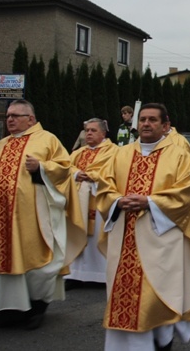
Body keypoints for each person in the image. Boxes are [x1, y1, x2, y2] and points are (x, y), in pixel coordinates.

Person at [0, 99, 86, 330]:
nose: (10, 120)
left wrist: (42, 168)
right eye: (8, 116)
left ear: (31, 119)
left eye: (16, 115)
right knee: (0, 265)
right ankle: (6, 312)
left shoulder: (47, 139)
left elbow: (65, 169)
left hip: (34, 217)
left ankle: (37, 307)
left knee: (38, 266)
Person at [96, 103, 190, 350]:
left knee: (158, 296)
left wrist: (149, 202)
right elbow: (104, 187)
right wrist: (117, 200)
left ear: (165, 125)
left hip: (161, 238)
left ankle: (160, 342)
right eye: (143, 120)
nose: (146, 124)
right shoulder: (120, 154)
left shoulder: (178, 154)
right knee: (123, 296)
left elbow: (188, 190)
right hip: (124, 237)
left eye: (152, 120)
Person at [65, 118, 117, 289]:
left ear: (103, 133)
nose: (88, 134)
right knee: (76, 232)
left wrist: (94, 176)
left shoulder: (114, 152)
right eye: (87, 130)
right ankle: (74, 274)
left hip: (99, 200)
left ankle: (101, 275)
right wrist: (76, 174)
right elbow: (65, 167)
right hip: (78, 201)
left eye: (93, 130)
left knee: (97, 236)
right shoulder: (78, 153)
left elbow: (115, 171)